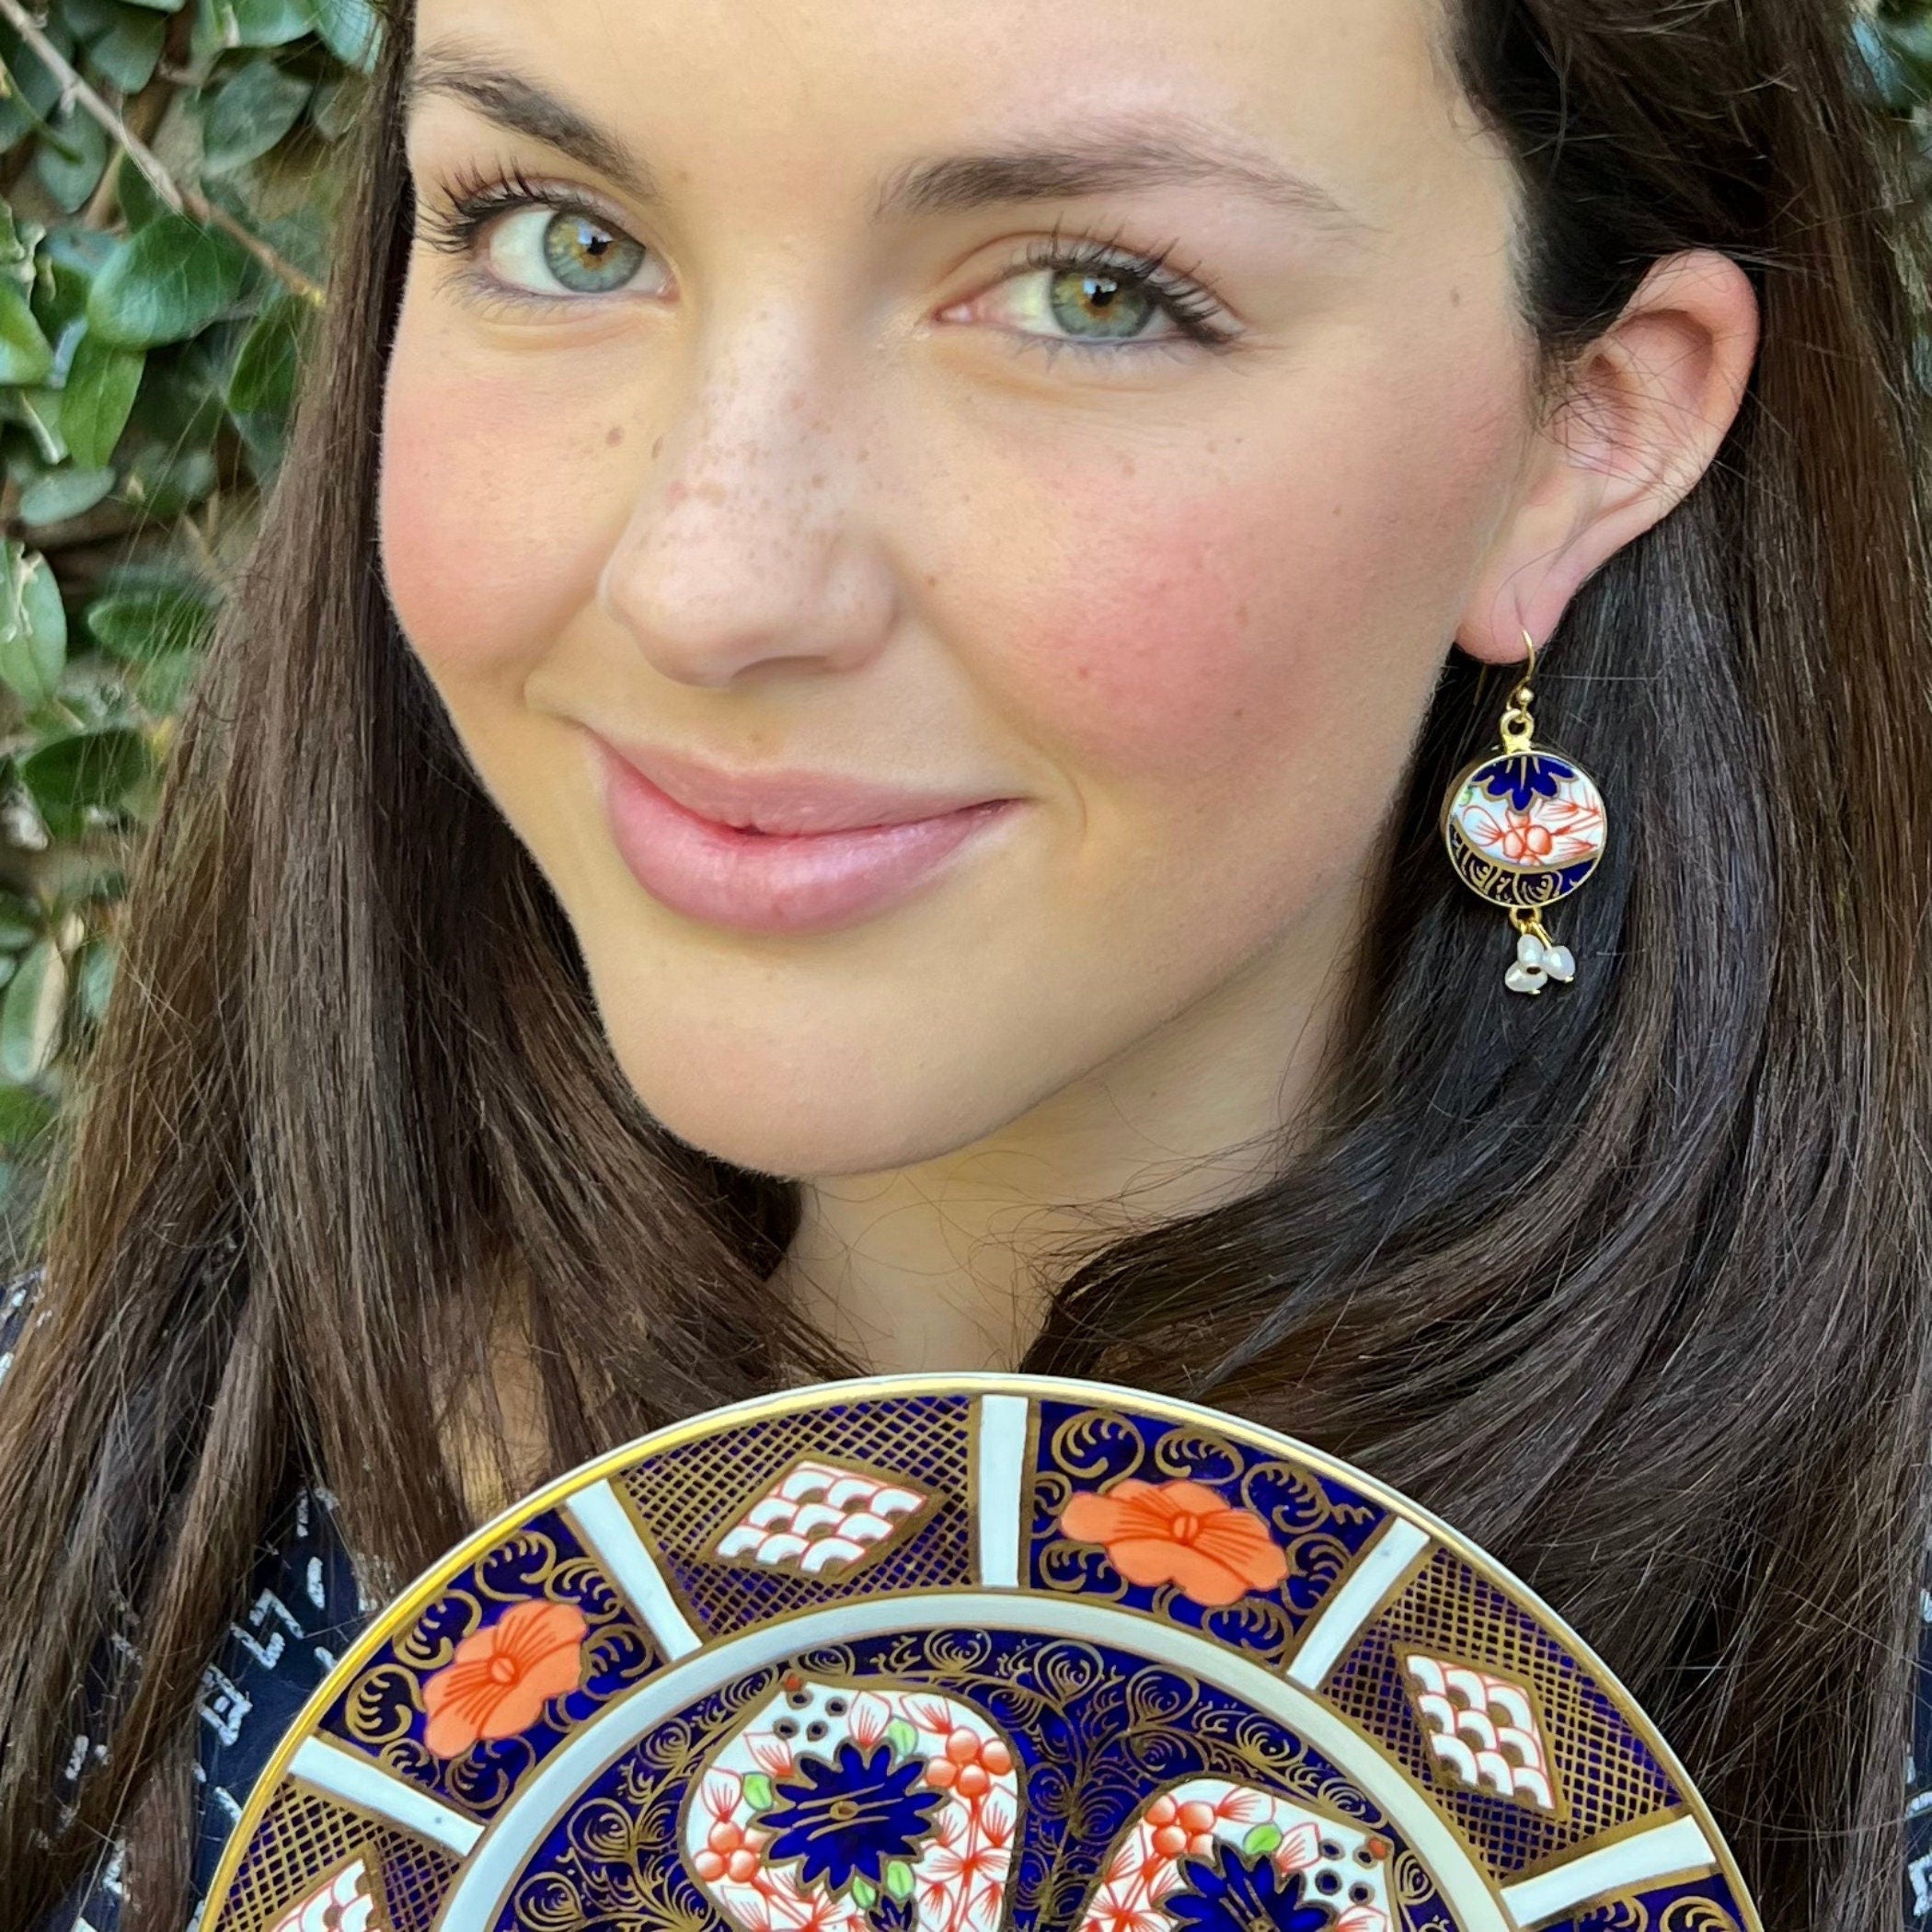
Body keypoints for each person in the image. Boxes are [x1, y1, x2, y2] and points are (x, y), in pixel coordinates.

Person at [0, 0, 1926, 1925]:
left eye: (1093, 294)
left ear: (1587, 430)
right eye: (559, 233)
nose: (710, 582)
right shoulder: (76, 1500)